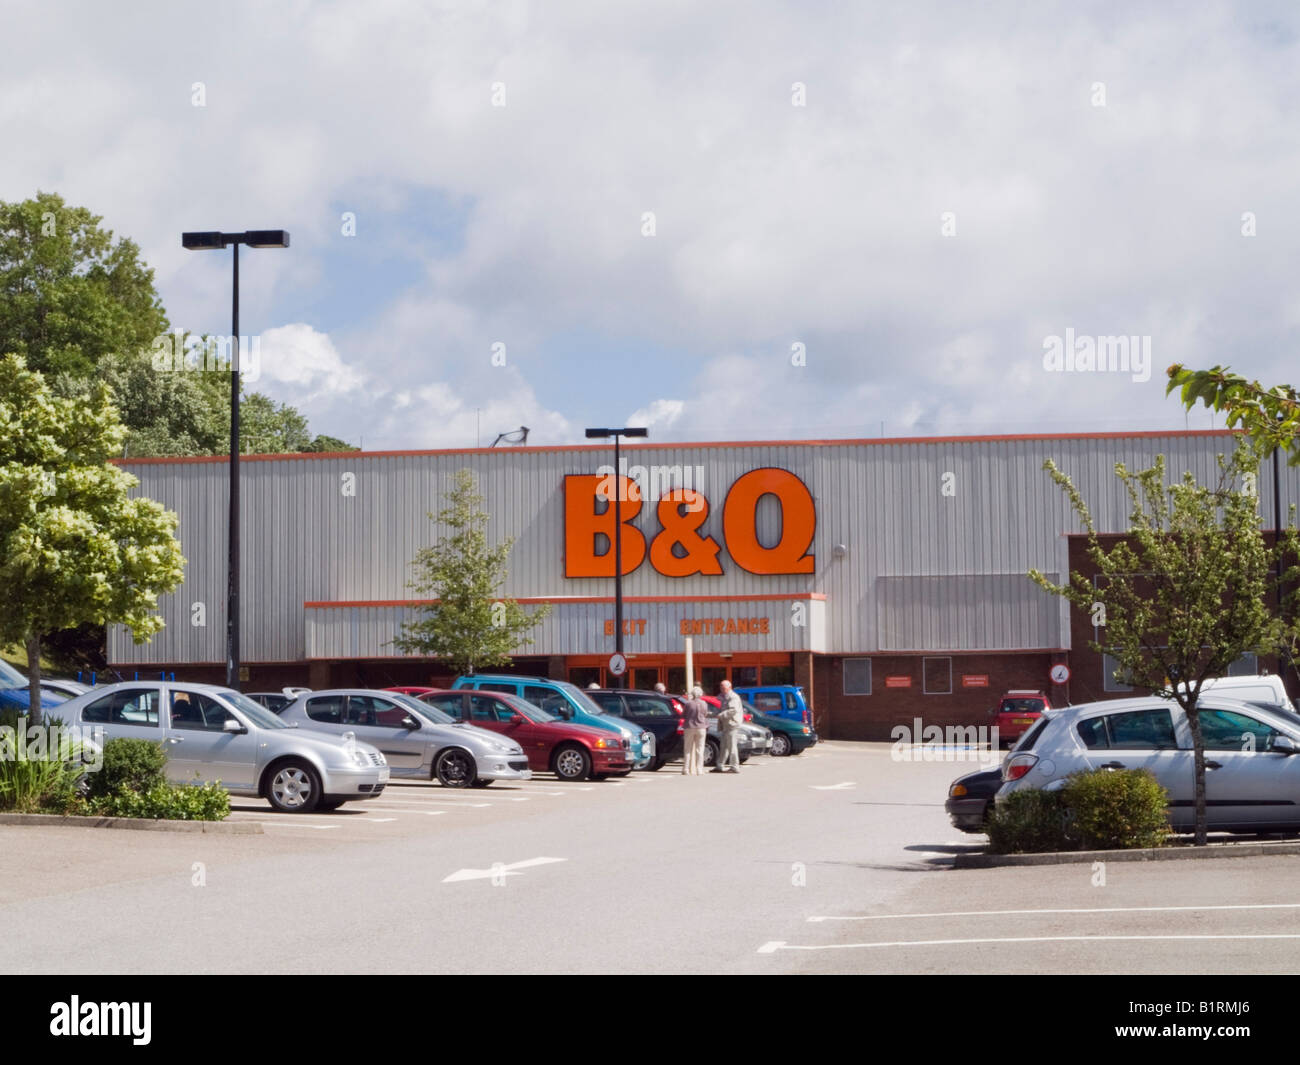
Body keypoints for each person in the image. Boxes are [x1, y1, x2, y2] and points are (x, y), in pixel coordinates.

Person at [712, 679, 743, 773]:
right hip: (726, 724)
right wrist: (710, 713)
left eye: (724, 687)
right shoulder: (723, 696)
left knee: (731, 746)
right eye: (721, 686)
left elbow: (733, 710)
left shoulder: (733, 697)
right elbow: (720, 708)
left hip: (732, 724)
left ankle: (735, 767)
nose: (722, 689)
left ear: (730, 687)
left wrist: (721, 715)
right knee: (724, 746)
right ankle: (720, 765)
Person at [681, 686, 709, 775]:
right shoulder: (704, 703)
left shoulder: (688, 704)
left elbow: (683, 715)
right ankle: (699, 769)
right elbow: (705, 714)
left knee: (687, 749)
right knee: (700, 749)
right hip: (701, 727)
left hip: (689, 727)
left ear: (692, 694)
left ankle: (686, 769)